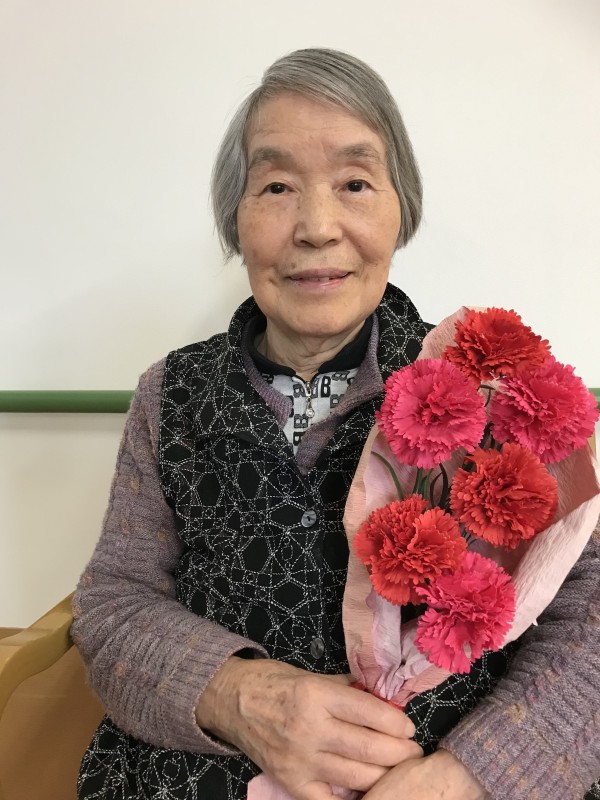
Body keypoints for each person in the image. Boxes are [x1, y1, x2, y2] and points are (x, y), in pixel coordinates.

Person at [72, 48, 600, 800]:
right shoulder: (171, 394)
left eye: (354, 183)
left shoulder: (493, 387)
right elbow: (114, 602)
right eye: (277, 186)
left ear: (399, 208)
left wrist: (470, 777)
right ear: (235, 217)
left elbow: (588, 615)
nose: (317, 227)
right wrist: (240, 697)